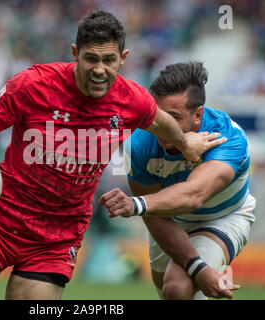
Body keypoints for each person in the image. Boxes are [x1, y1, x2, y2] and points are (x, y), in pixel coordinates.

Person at [0, 11, 225, 300]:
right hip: (0, 221)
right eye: (90, 58)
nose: (99, 69)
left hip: (57, 240)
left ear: (123, 58)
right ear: (74, 53)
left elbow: (162, 122)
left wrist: (185, 143)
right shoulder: (33, 85)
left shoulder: (133, 100)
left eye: (109, 60)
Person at [99, 61, 256, 300]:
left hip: (222, 217)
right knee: (171, 294)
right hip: (167, 217)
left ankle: (215, 262)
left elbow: (194, 196)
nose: (164, 127)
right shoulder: (139, 142)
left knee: (177, 288)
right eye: (159, 117)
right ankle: (214, 270)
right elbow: (156, 214)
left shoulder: (228, 137)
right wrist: (199, 268)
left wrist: (136, 204)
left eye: (173, 117)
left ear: (198, 115)